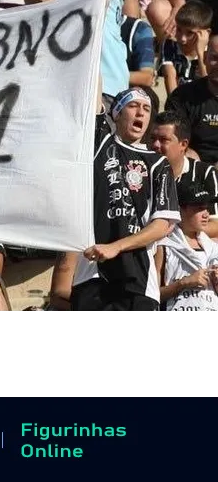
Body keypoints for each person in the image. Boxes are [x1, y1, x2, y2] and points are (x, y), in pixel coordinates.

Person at [71, 86, 181, 314]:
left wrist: (116, 247)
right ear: (117, 114)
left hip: (139, 282)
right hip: (92, 275)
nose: (141, 112)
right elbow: (93, 88)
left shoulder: (159, 164)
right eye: (133, 106)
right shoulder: (100, 145)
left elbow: (162, 226)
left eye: (146, 108)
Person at [150, 112, 218, 231]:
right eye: (153, 138)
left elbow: (215, 225)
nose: (155, 145)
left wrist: (170, 232)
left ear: (183, 144)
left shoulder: (204, 173)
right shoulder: (142, 170)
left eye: (163, 140)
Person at [156, 183, 218, 312]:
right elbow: (152, 296)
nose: (206, 214)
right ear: (180, 210)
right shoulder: (164, 246)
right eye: (199, 208)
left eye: (207, 208)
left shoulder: (214, 248)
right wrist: (184, 283)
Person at [165, 34, 218, 165]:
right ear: (205, 58)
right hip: (194, 167)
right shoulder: (182, 97)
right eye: (215, 58)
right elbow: (173, 139)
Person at [159, 0, 213, 94]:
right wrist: (176, 106)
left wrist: (200, 55)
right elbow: (169, 76)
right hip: (178, 102)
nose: (182, 39)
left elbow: (209, 89)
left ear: (206, 33)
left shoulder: (212, 52)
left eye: (190, 33)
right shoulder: (170, 46)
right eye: (179, 30)